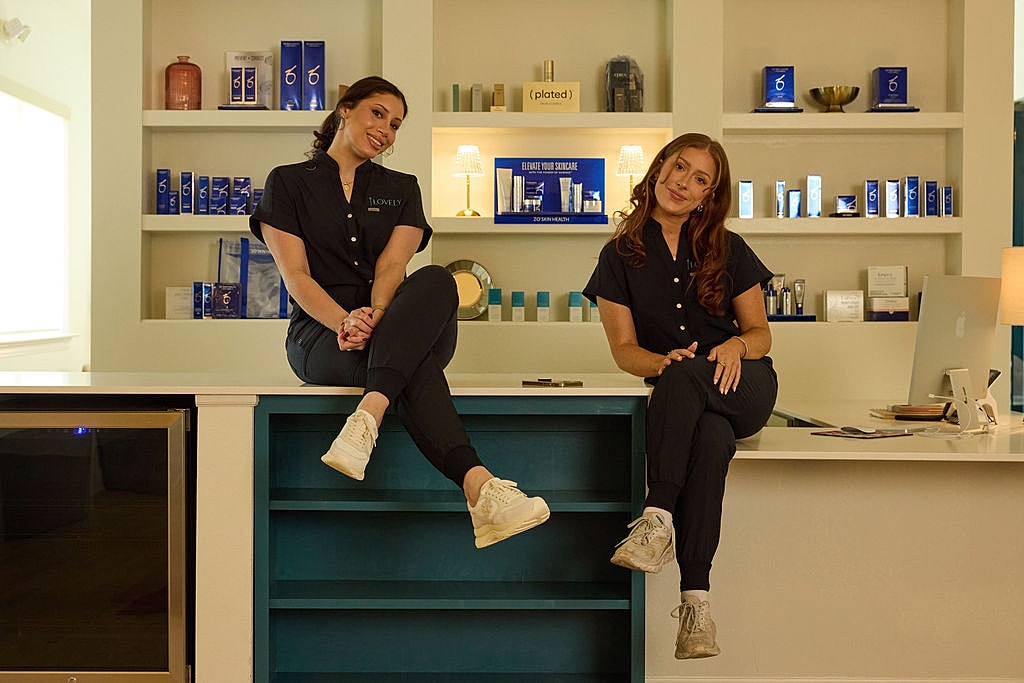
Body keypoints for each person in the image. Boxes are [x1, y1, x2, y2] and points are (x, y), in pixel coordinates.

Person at [249, 76, 549, 549]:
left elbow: (392, 266)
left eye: (395, 125)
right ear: (344, 109)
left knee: (437, 279)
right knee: (413, 367)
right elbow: (297, 276)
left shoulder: (402, 188)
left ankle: (367, 416)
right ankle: (482, 489)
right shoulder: (287, 182)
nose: (385, 130)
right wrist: (344, 321)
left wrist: (375, 314)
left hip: (394, 323)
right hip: (322, 336)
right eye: (377, 113)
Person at [582, 133, 777, 659]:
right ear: (659, 168)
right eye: (680, 167)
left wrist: (735, 346)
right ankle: (697, 605)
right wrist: (661, 363)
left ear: (709, 194)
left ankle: (657, 516)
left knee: (689, 375)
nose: (683, 183)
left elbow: (761, 335)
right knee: (710, 440)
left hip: (744, 384)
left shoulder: (729, 248)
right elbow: (625, 351)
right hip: (688, 398)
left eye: (700, 179)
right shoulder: (617, 256)